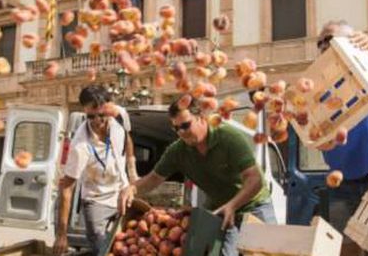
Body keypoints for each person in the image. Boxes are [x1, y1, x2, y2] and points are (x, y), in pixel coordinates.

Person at [118, 96, 276, 256]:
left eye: (185, 125)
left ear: (202, 118)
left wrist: (233, 205)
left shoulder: (228, 137)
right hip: (220, 210)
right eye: (176, 128)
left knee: (271, 252)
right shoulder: (177, 151)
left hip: (254, 205)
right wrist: (132, 188)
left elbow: (255, 179)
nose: (181, 132)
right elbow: (154, 178)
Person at [317, 20, 368, 256]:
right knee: (344, 248)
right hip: (341, 182)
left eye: (330, 39)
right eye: (320, 42)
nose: (324, 45)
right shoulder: (319, 87)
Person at [53, 85, 137, 255]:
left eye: (102, 114)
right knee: (103, 251)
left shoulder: (120, 115)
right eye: (91, 116)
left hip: (122, 193)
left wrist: (132, 171)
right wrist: (61, 234)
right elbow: (67, 188)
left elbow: (128, 139)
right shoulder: (80, 144)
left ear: (109, 107)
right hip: (96, 201)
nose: (97, 121)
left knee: (129, 245)